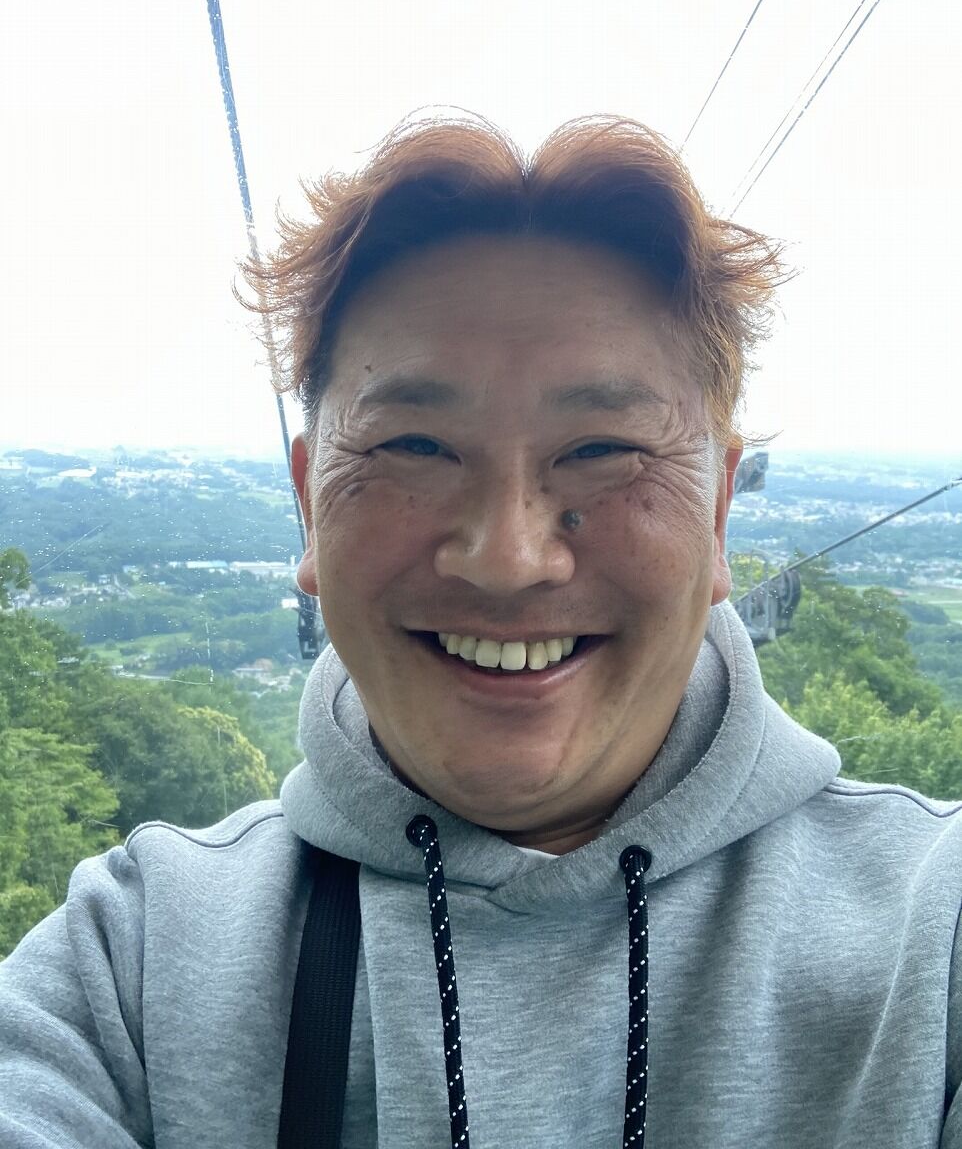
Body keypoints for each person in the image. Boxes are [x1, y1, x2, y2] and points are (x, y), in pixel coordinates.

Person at [1, 115, 960, 1149]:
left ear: (719, 512)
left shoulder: (934, 933)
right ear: (309, 504)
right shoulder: (134, 964)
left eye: (603, 447)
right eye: (414, 445)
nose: (508, 557)